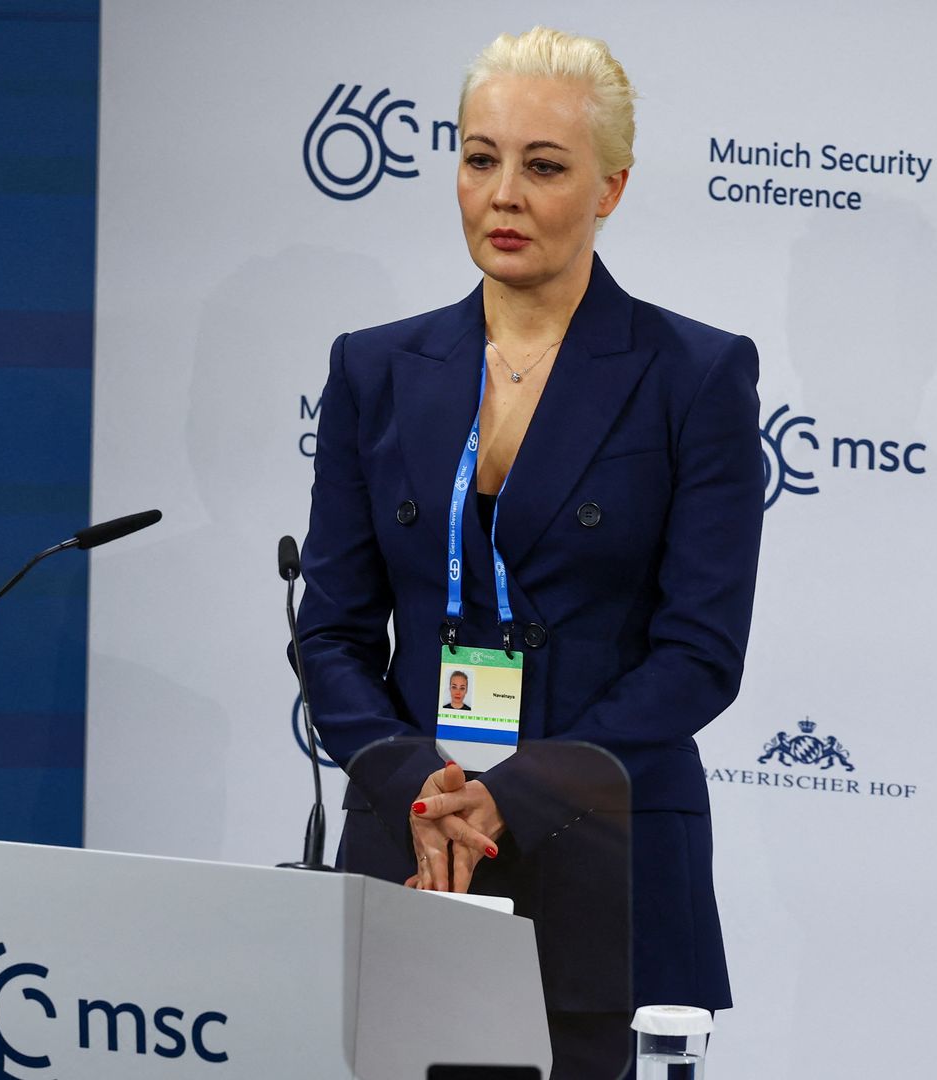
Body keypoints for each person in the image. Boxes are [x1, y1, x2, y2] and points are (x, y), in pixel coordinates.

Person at [294, 26, 762, 1076]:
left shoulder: (694, 377)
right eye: (480, 158)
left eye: (544, 166)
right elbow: (330, 636)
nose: (503, 194)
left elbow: (699, 655)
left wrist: (516, 791)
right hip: (414, 854)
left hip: (603, 857)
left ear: (611, 188)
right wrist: (420, 787)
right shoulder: (373, 369)